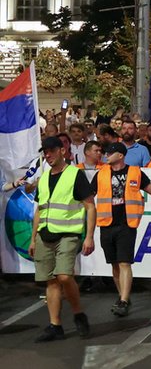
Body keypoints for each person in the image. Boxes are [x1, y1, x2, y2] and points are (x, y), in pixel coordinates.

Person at [93, 143, 151, 317]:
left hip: (127, 223)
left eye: (110, 153)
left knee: (124, 262)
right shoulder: (100, 173)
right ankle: (122, 296)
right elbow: (88, 196)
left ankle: (124, 300)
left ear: (121, 155)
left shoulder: (135, 172)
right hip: (106, 223)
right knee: (114, 265)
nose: (106, 155)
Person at [29, 136, 96, 342]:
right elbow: (40, 211)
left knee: (65, 276)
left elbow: (90, 206)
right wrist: (33, 239)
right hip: (45, 234)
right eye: (45, 152)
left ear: (62, 151)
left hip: (68, 234)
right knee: (51, 281)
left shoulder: (75, 174)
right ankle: (55, 325)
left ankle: (78, 312)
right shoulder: (44, 178)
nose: (47, 155)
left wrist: (89, 237)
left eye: (51, 151)